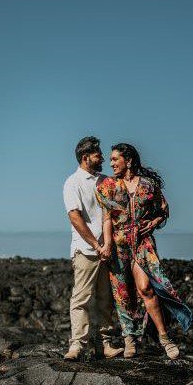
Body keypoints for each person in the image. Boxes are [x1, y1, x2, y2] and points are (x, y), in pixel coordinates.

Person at [95, 143, 193, 358]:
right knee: (122, 294)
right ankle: (129, 339)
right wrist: (107, 244)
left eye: (115, 159)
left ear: (128, 161)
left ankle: (165, 339)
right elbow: (107, 219)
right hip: (118, 244)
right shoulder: (108, 186)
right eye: (110, 159)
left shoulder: (148, 185)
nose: (110, 163)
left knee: (146, 288)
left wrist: (154, 221)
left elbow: (163, 210)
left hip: (142, 242)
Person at [62, 136, 124, 361]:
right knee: (81, 298)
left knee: (106, 299)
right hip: (86, 250)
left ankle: (105, 345)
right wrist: (96, 244)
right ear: (85, 157)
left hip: (107, 249)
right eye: (98, 155)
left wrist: (107, 245)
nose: (103, 158)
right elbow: (74, 217)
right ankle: (77, 346)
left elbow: (112, 214)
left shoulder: (106, 181)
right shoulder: (73, 182)